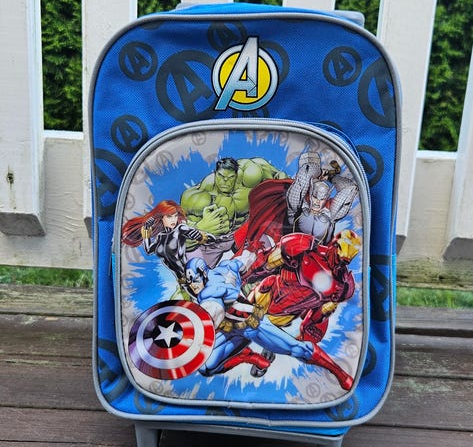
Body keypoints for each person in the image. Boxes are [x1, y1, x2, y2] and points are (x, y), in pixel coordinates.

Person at [184, 253, 354, 391]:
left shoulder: (209, 293)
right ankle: (246, 357)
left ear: (202, 273)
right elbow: (248, 260)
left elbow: (210, 315)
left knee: (297, 349)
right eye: (190, 282)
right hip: (232, 328)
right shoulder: (227, 266)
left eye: (194, 280)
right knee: (206, 367)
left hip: (252, 323)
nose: (192, 285)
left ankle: (340, 373)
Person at [180, 157, 287, 266]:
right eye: (221, 176)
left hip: (244, 232)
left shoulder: (250, 174)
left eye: (230, 177)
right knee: (197, 270)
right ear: (215, 173)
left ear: (236, 175)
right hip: (213, 243)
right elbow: (182, 240)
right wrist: (201, 228)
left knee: (270, 258)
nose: (225, 182)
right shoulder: (198, 198)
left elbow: (279, 176)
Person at [121, 200, 212, 292]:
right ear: (162, 218)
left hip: (194, 276)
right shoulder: (160, 237)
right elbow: (148, 250)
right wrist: (146, 229)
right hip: (182, 281)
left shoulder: (180, 229)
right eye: (169, 216)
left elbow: (209, 238)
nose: (173, 220)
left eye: (175, 216)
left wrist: (200, 236)